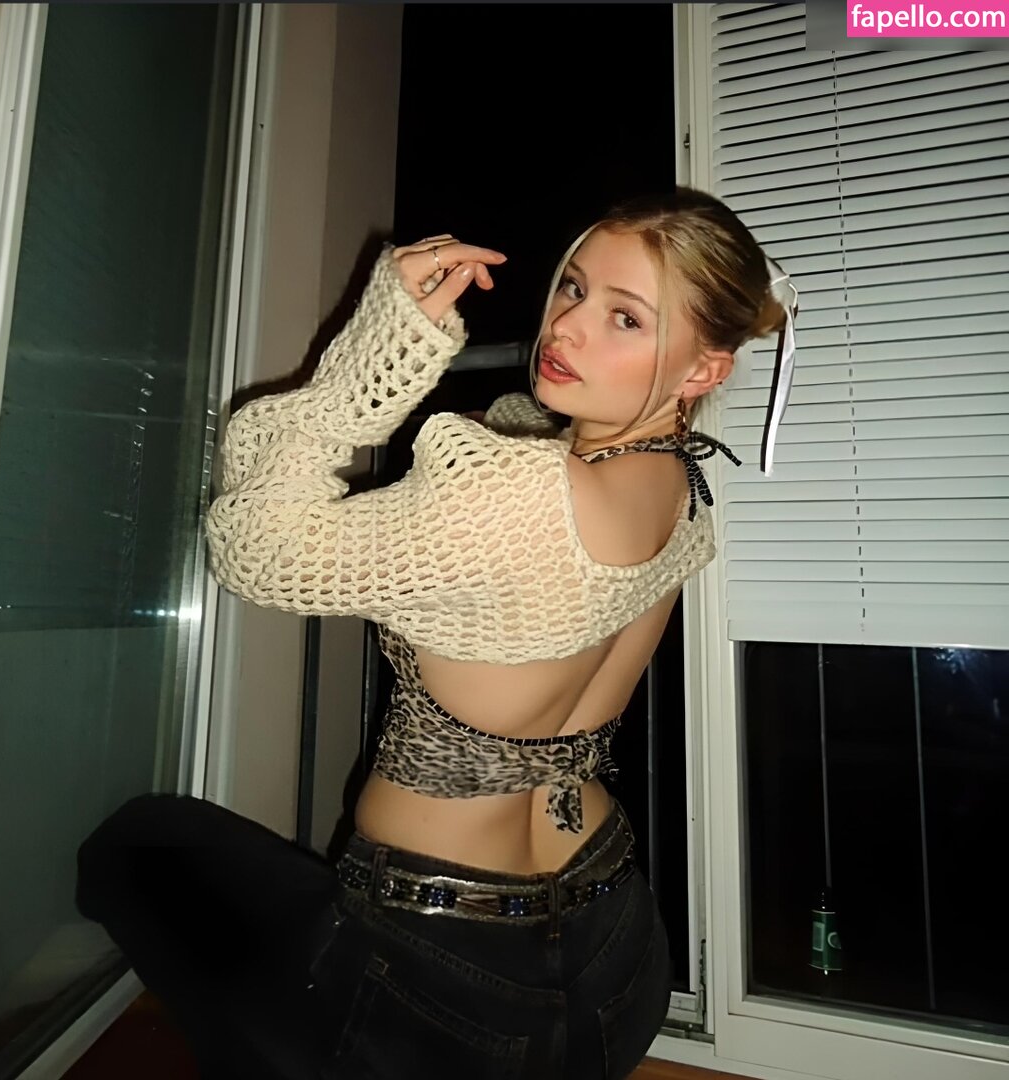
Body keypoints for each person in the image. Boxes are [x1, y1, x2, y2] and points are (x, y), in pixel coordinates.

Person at [75, 187, 797, 1080]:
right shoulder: (686, 492)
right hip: (616, 948)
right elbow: (534, 450)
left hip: (435, 970)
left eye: (625, 318)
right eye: (574, 288)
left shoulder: (512, 496)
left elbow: (253, 549)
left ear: (703, 371)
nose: (567, 327)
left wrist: (377, 355)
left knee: (133, 845)